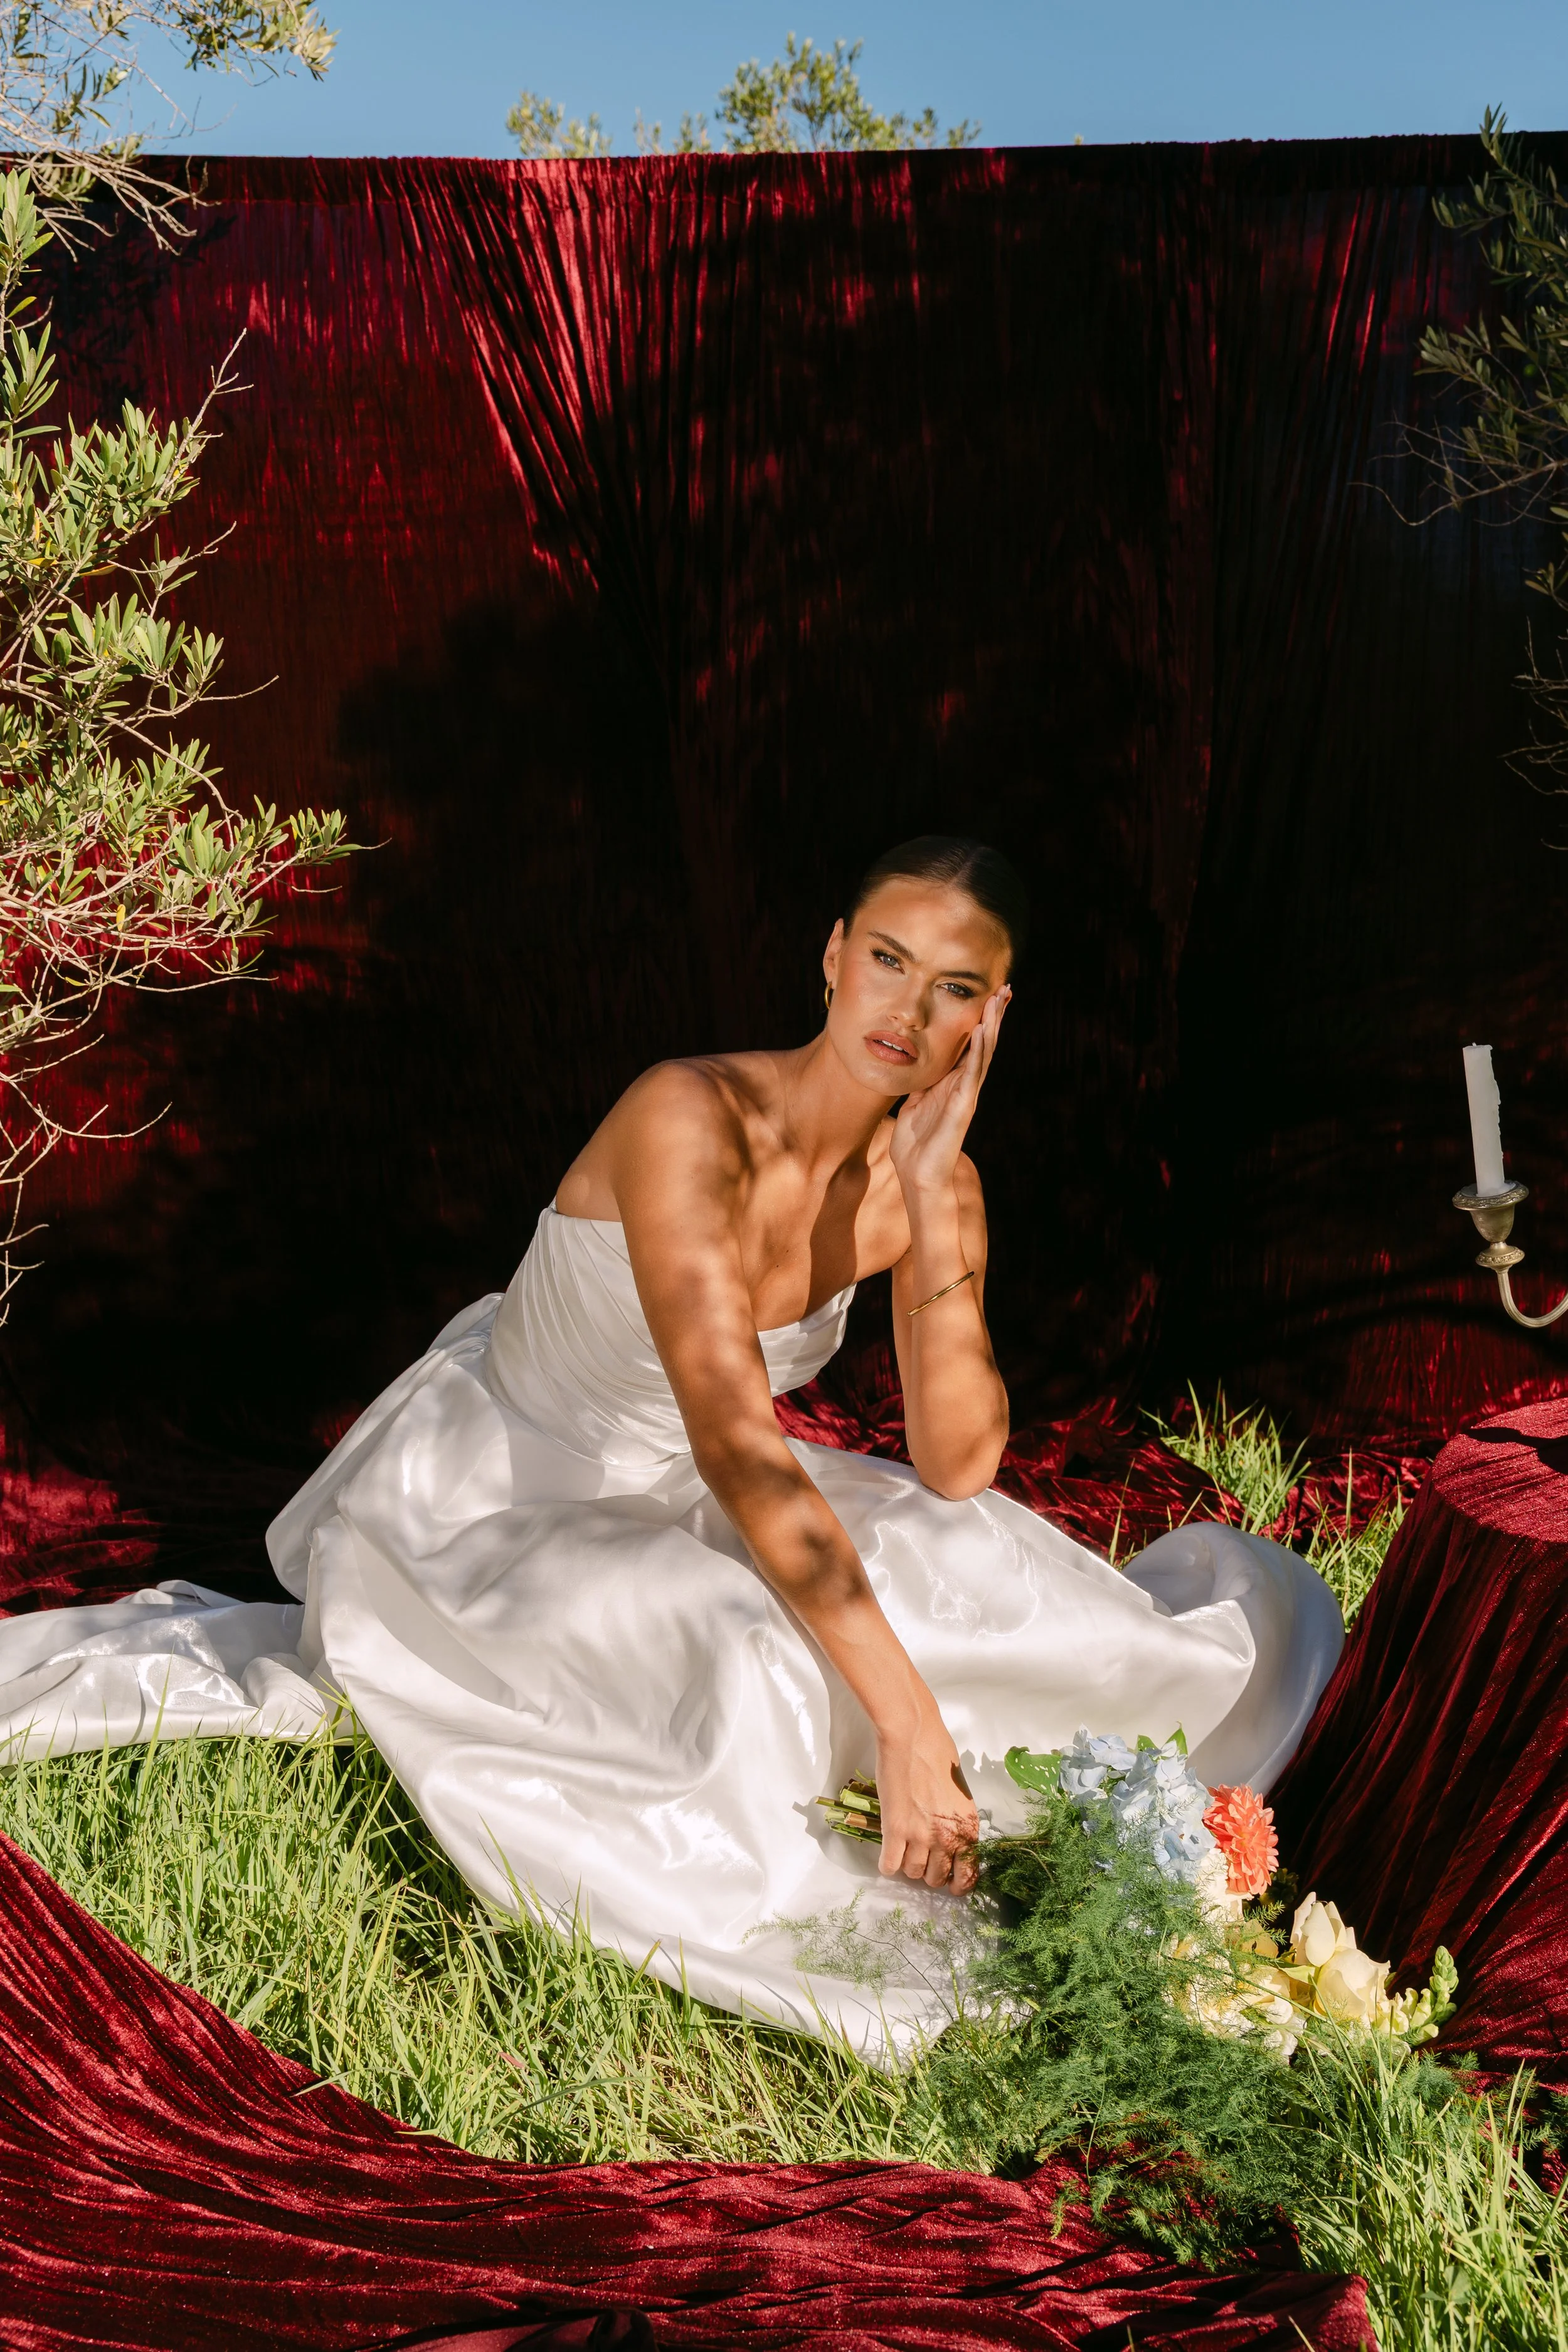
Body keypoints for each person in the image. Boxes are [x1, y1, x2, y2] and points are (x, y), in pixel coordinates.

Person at [0, 837, 1343, 2059]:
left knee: (971, 1553)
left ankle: (1052, 1796)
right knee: (748, 1647)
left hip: (696, 1488)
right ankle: (858, 1836)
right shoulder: (684, 1117)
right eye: (885, 960)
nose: (904, 1010)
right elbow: (736, 1443)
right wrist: (906, 1719)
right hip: (504, 1498)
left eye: (952, 989)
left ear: (988, 1020)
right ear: (830, 956)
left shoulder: (933, 1183)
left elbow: (957, 1463)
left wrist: (931, 1201)